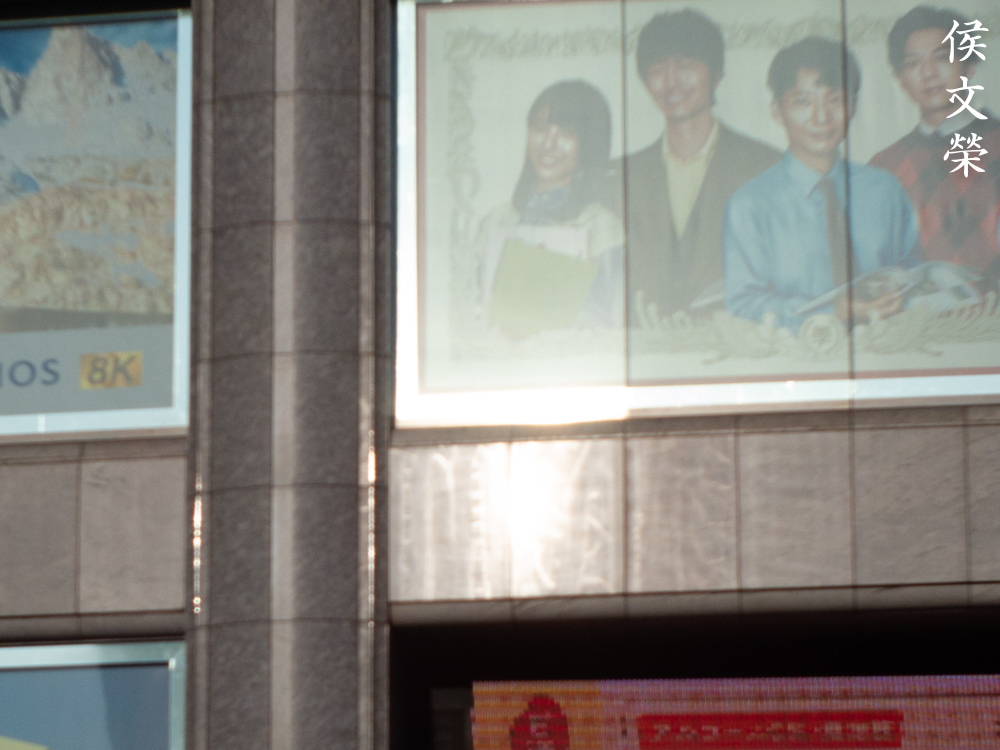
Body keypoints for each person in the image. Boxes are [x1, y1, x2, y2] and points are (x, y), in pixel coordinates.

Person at [724, 37, 920, 331]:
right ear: (777, 110)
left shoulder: (885, 190)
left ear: (852, 106)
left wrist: (903, 297)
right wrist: (832, 311)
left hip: (884, 347)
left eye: (835, 99)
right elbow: (742, 306)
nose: (821, 117)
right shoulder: (749, 205)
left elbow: (913, 274)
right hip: (795, 356)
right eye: (803, 101)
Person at [604, 9, 780, 319]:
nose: (672, 82)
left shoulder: (765, 166)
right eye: (658, 69)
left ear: (716, 74)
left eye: (686, 65)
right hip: (647, 344)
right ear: (645, 82)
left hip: (738, 341)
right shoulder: (619, 176)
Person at [478, 80, 624, 339]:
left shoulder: (601, 228)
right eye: (540, 128)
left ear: (589, 143)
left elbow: (613, 321)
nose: (548, 143)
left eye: (566, 133)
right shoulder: (496, 220)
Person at [869, 6, 1000, 281]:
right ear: (901, 80)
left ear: (969, 66)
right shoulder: (884, 167)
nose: (928, 73)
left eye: (942, 58)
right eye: (913, 63)